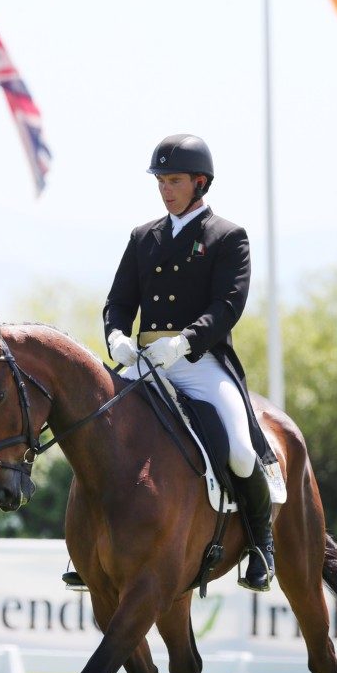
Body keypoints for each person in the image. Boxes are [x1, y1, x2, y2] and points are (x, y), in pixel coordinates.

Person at [102, 134, 275, 591]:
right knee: (95, 432)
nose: (165, 189)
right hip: (143, 361)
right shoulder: (144, 237)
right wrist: (117, 336)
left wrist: (182, 343)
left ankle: (261, 545)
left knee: (239, 449)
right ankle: (85, 546)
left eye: (174, 180)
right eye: (161, 180)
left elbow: (228, 305)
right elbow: (118, 302)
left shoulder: (226, 236)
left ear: (200, 183)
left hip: (198, 361)